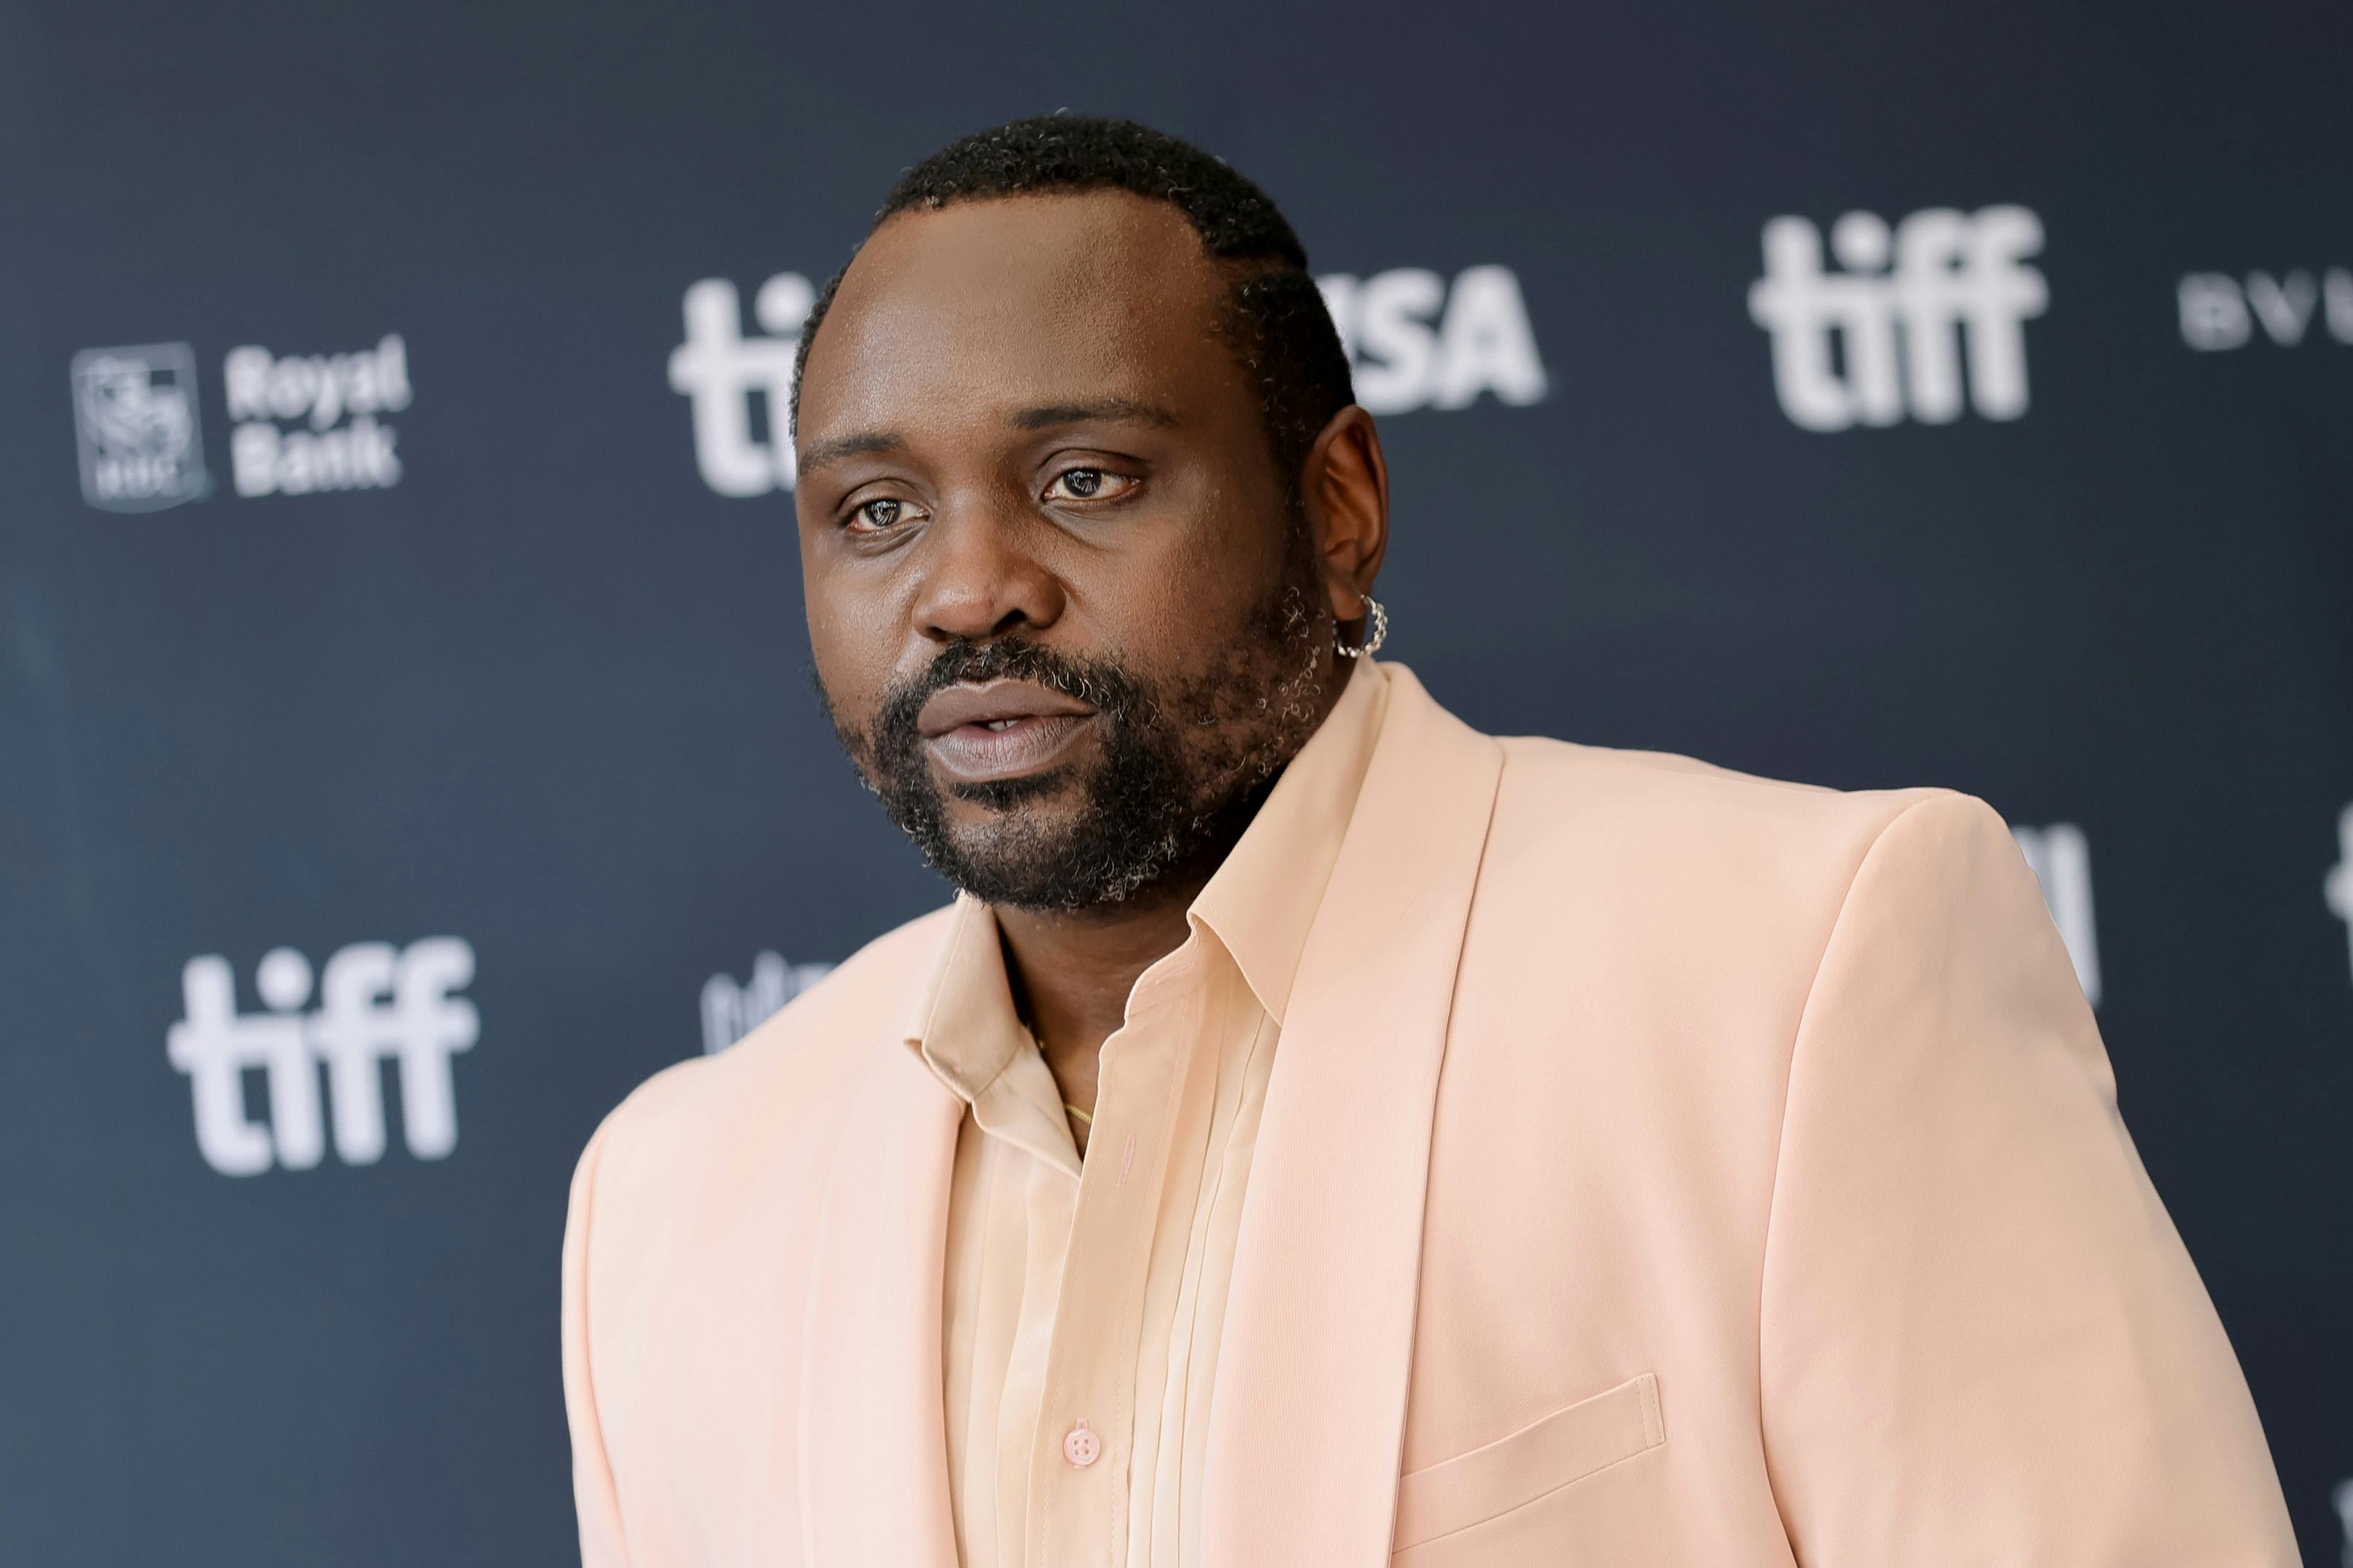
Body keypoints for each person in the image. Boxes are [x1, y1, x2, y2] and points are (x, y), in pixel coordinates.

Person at [561, 115, 2295, 1567]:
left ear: (1338, 508)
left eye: (1085, 477)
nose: (966, 588)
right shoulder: (674, 1197)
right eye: (875, 510)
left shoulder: (1801, 968)